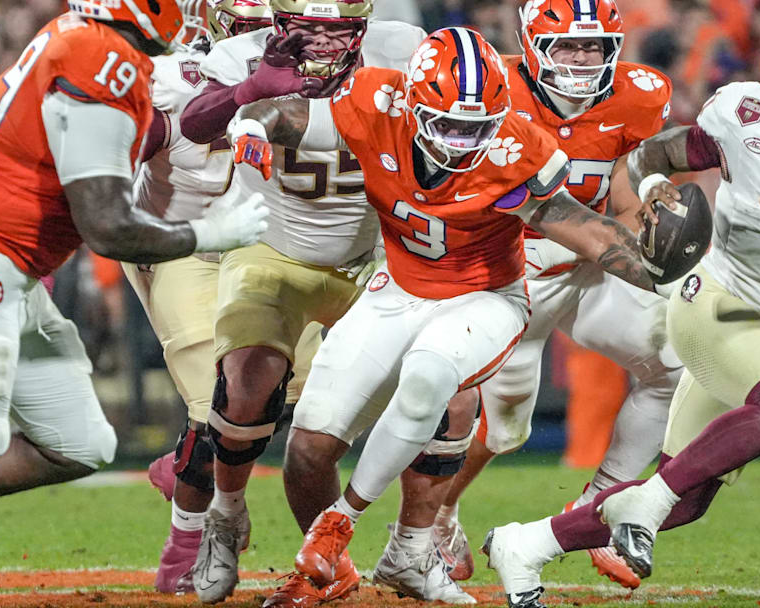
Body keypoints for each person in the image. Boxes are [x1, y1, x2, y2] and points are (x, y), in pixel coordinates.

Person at [482, 5, 760, 606]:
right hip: (710, 296)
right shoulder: (745, 114)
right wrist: (651, 191)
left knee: (684, 499)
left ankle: (526, 543)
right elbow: (650, 155)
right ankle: (640, 502)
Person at [229, 25, 666, 607]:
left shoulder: (515, 145)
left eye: (477, 127)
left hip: (484, 296)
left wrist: (663, 273)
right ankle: (372, 566)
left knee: (432, 375)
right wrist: (250, 126)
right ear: (411, 105)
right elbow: (281, 113)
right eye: (450, 125)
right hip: (397, 289)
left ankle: (341, 522)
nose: (463, 141)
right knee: (308, 447)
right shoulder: (376, 102)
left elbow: (584, 230)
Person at [0, 0, 267, 518]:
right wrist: (207, 232)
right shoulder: (101, 59)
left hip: (14, 270)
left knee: (78, 443)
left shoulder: (86, 38)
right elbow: (107, 226)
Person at [177, 0, 430, 603]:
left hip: (374, 257)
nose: (318, 42)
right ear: (279, 21)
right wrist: (247, 91)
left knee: (448, 392)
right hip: (272, 246)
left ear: (363, 26)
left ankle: (421, 537)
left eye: (334, 29)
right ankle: (225, 512)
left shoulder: (407, 49)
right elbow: (193, 123)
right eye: (304, 28)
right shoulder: (244, 49)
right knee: (245, 383)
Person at [430, 0, 682, 590]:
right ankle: (438, 516)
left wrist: (654, 212)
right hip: (504, 275)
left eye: (591, 47)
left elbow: (623, 202)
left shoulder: (638, 96)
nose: (579, 58)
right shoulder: (489, 88)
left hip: (591, 267)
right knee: (504, 429)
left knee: (673, 365)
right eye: (566, 46)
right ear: (534, 46)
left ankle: (599, 508)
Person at [116, 0, 280, 595]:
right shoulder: (169, 78)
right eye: (244, 28)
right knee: (212, 406)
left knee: (280, 396)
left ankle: (177, 466)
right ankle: (183, 551)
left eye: (272, 26)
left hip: (256, 253)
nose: (259, 40)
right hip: (176, 246)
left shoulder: (307, 80)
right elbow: (110, 164)